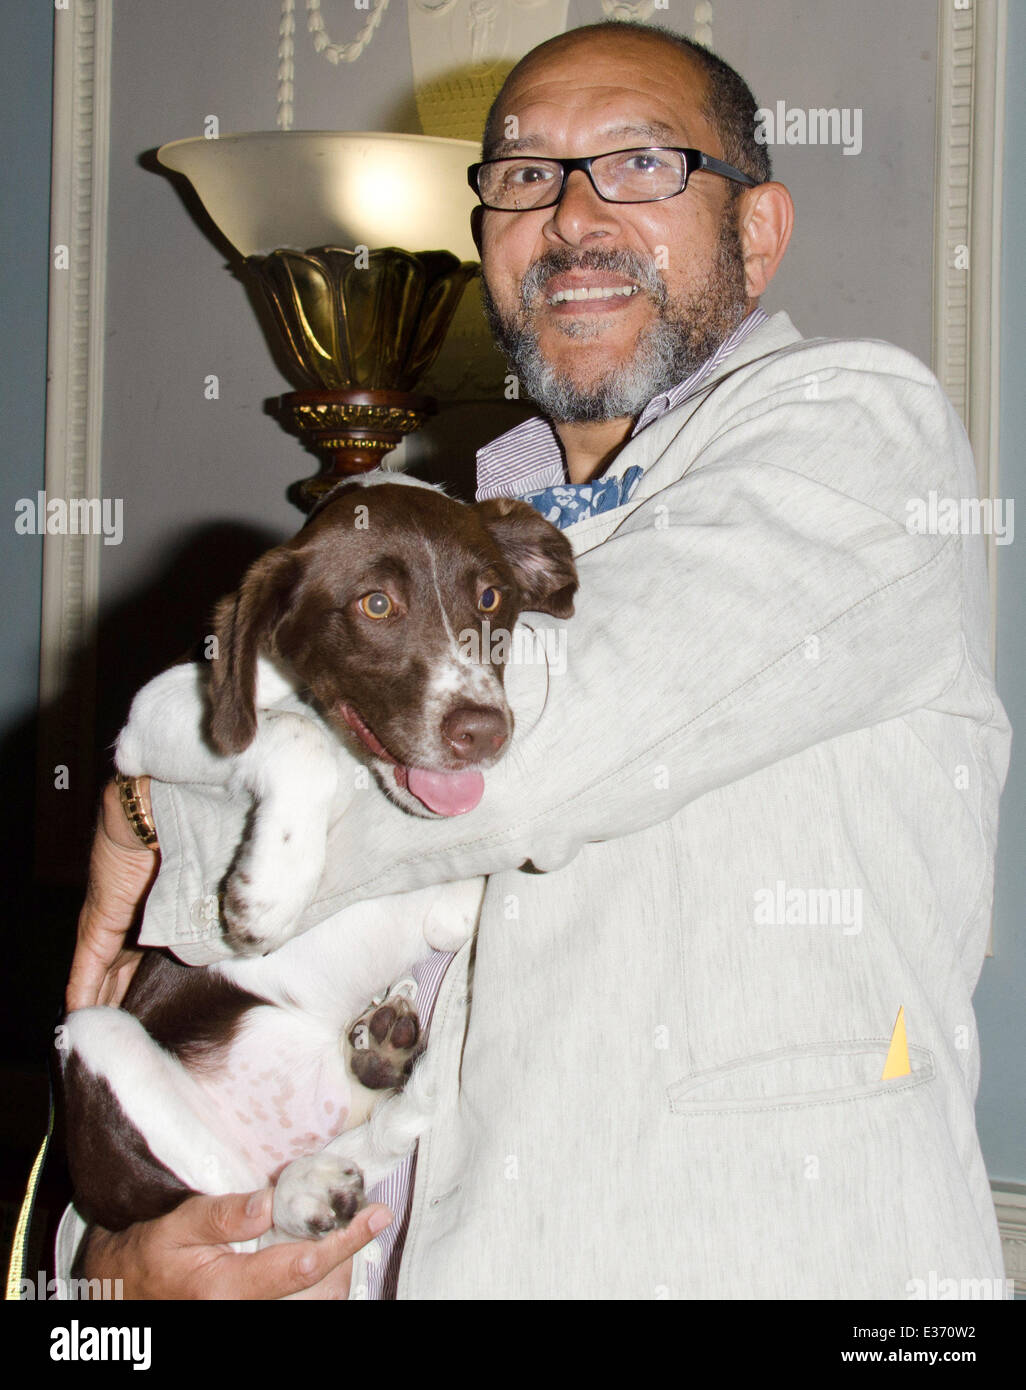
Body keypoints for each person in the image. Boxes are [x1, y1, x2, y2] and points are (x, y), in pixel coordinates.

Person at [62, 21, 1010, 1299]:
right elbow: (240, 1007)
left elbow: (541, 742)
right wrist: (108, 1279)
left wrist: (148, 815)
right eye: (522, 176)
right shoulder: (432, 539)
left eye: (639, 164)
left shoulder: (860, 434)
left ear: (762, 231)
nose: (571, 216)